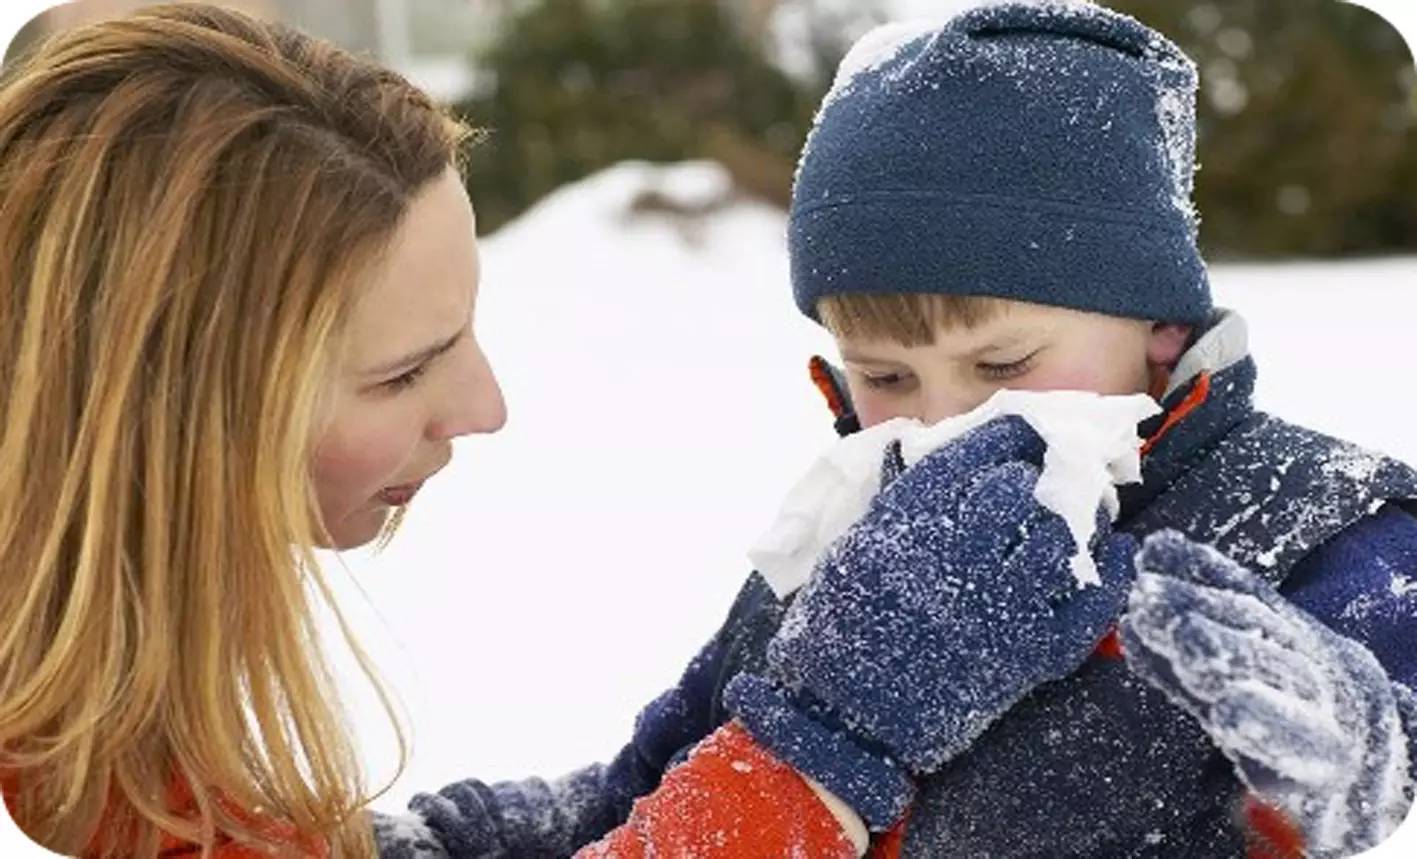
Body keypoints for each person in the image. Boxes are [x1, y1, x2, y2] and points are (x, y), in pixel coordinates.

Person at [0, 4, 1091, 857]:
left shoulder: (77, 675)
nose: (486, 407)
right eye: (402, 371)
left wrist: (655, 779)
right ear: (172, 411)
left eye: (463, 333)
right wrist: (813, 759)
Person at [380, 2, 1417, 857]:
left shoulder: (1315, 514)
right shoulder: (849, 535)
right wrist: (440, 839)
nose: (942, 416)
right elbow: (651, 787)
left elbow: (1382, 752)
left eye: (1002, 364)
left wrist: (1354, 749)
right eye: (884, 374)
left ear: (1157, 323)